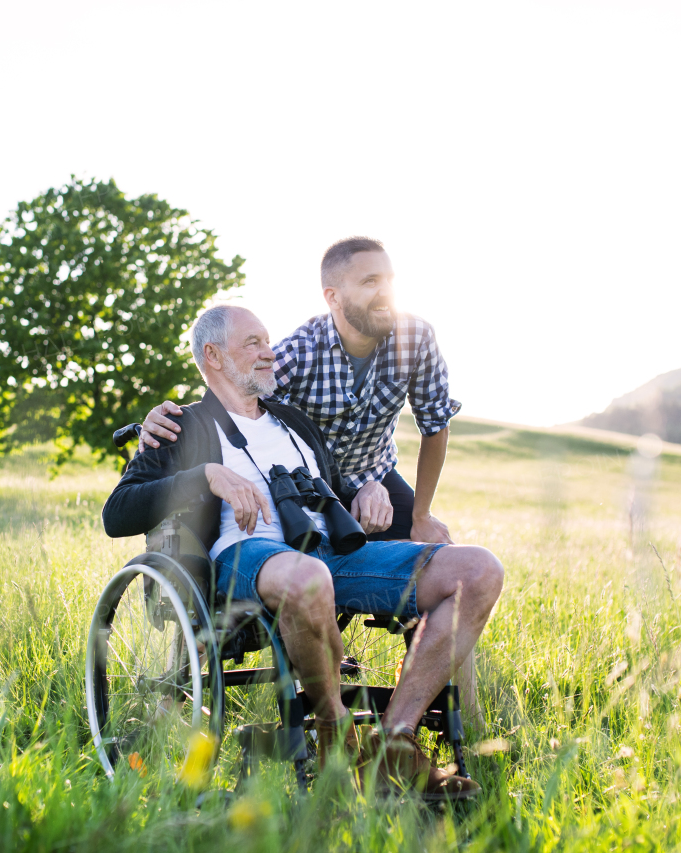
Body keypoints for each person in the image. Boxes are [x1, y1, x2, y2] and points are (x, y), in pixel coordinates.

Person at [102, 305, 504, 801]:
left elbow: (334, 490)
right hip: (243, 557)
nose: (270, 352)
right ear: (213, 355)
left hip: (331, 553)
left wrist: (368, 490)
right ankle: (337, 732)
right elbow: (116, 513)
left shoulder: (293, 421)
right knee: (306, 575)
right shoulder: (180, 426)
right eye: (252, 343)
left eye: (268, 341)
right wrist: (205, 476)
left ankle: (394, 741)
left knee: (479, 569)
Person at [137, 237, 484, 724]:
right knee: (251, 559)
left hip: (375, 477)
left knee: (450, 559)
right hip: (307, 488)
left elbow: (435, 424)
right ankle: (187, 677)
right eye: (369, 282)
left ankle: (453, 720)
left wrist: (420, 513)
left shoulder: (415, 337)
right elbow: (234, 394)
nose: (384, 291)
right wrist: (167, 421)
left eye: (388, 280)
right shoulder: (298, 352)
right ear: (333, 298)